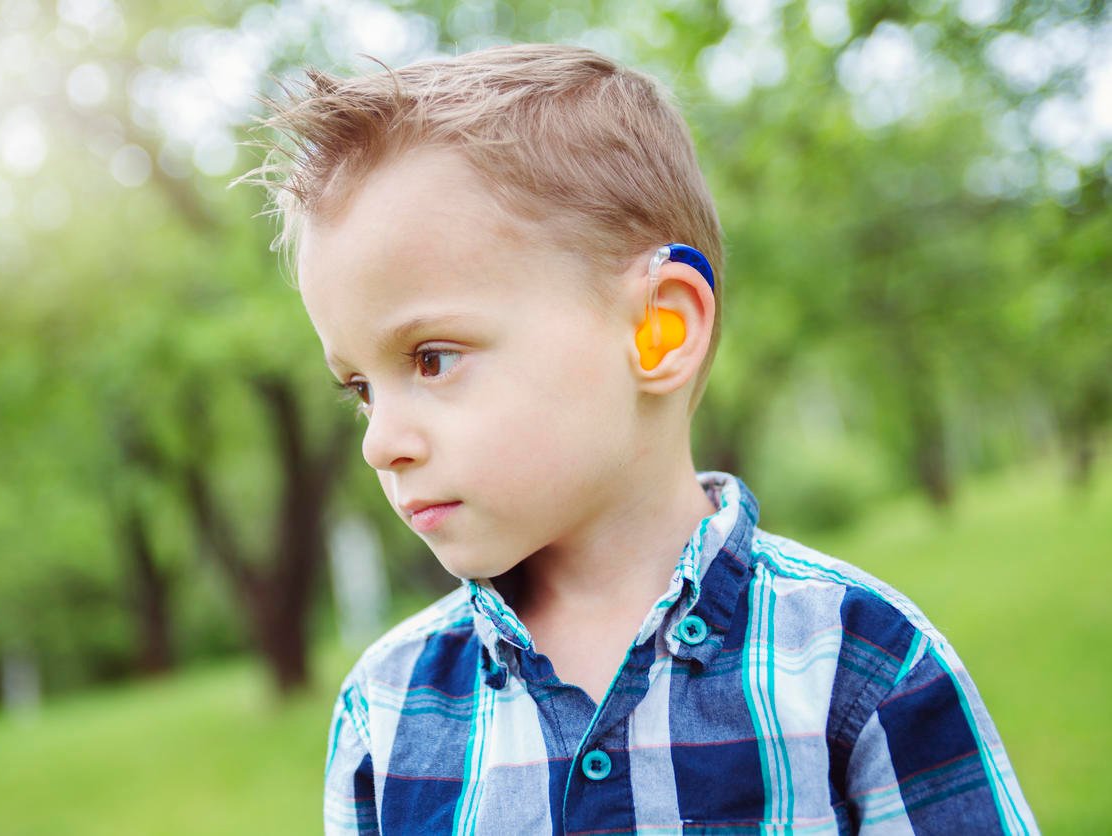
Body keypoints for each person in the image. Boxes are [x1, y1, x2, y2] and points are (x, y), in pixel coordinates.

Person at [248, 44, 1036, 835]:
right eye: (361, 389)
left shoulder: (859, 659)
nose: (379, 443)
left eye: (432, 358)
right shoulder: (385, 711)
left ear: (659, 330)